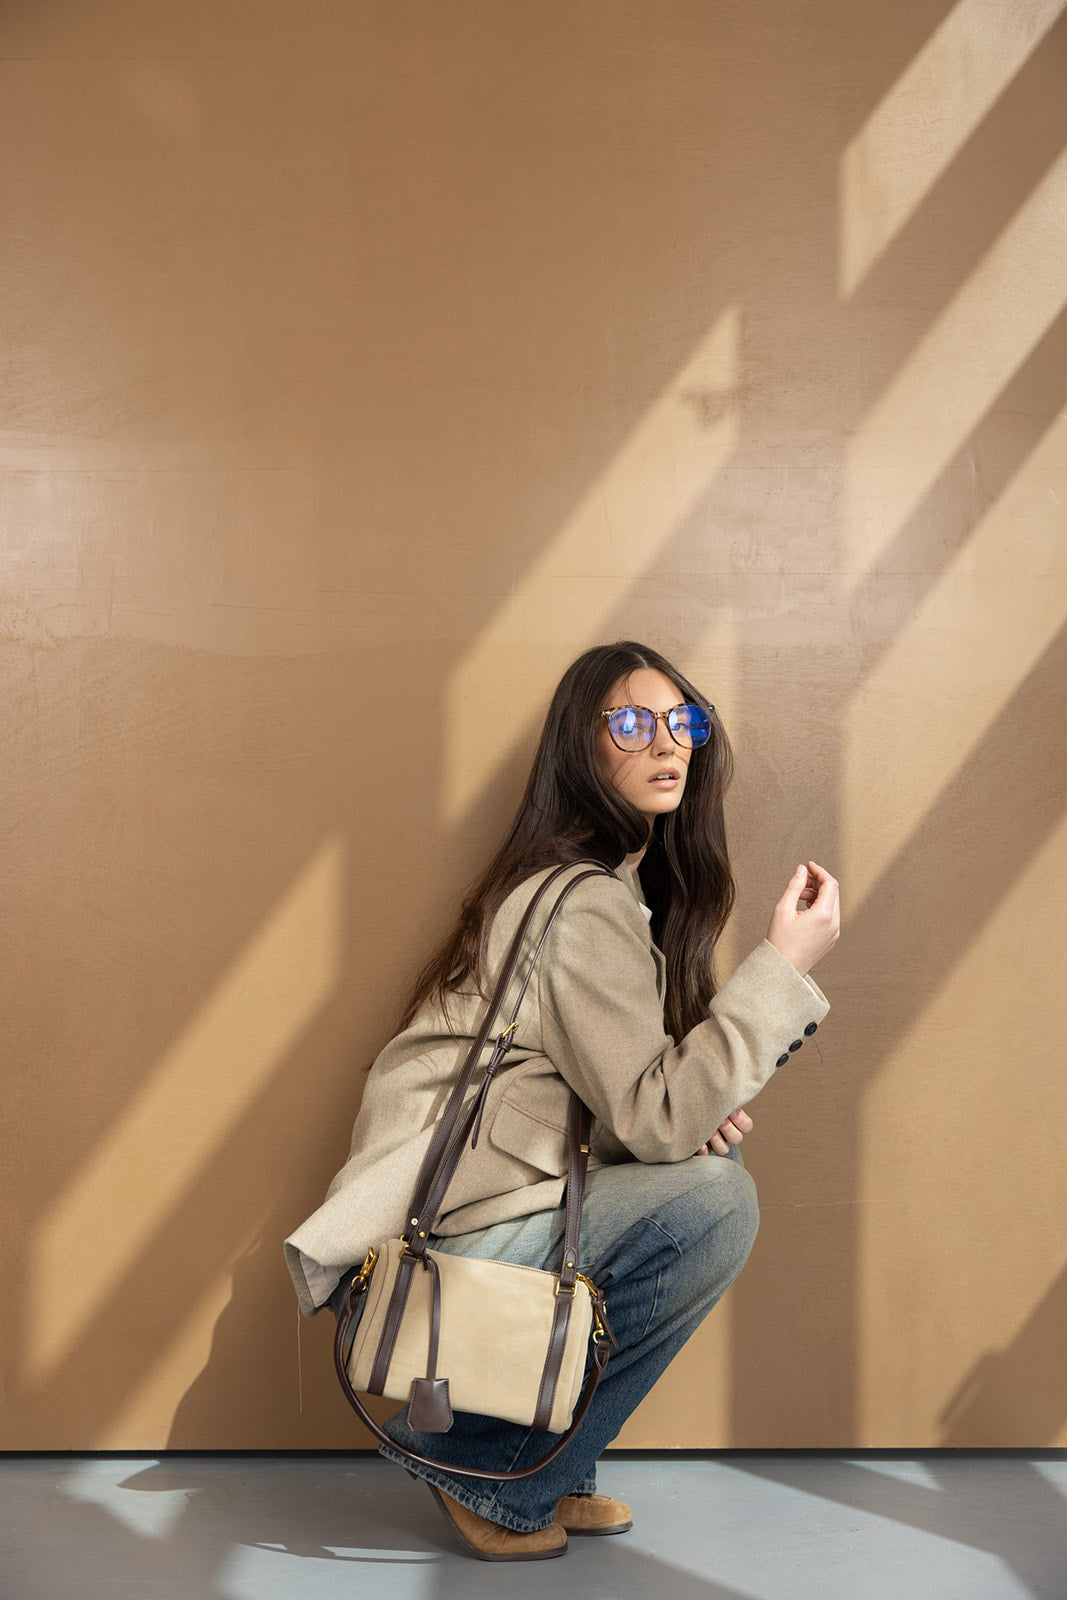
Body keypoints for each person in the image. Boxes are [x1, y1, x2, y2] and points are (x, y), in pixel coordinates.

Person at [285, 640, 840, 1561]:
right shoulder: (579, 902)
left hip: (478, 1226)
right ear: (581, 746)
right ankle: (484, 1469)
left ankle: (546, 1466)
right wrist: (782, 966)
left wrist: (692, 1115)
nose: (665, 741)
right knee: (714, 1201)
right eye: (631, 722)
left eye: (682, 721)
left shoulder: (596, 888)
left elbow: (624, 1108)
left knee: (709, 1170)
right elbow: (653, 1121)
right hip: (433, 1250)